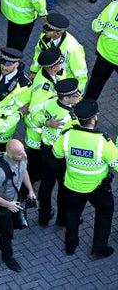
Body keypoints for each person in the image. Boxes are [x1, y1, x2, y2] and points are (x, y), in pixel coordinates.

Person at [53, 99, 118, 257]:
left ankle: (70, 246)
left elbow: (56, 153)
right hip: (97, 188)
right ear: (94, 118)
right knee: (104, 213)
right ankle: (99, 248)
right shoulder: (103, 142)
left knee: (72, 214)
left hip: (72, 185)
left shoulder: (67, 136)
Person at [29, 78, 80, 227]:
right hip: (60, 158)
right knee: (63, 190)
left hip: (45, 151)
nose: (78, 95)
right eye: (74, 95)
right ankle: (62, 220)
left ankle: (43, 217)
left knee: (46, 185)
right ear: (65, 98)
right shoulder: (71, 118)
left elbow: (35, 115)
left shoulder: (50, 102)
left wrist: (45, 122)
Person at [0, 140, 36, 272]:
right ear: (10, 155)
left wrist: (30, 189)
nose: (23, 155)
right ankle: (7, 257)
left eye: (23, 151)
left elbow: (23, 171)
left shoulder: (23, 156)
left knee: (17, 224)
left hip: (14, 200)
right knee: (8, 233)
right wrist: (7, 204)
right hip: (2, 205)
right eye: (19, 154)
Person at [29, 13, 88, 91]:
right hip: (47, 77)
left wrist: (76, 96)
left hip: (63, 85)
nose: (44, 31)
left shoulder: (73, 49)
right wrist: (34, 70)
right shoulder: (45, 37)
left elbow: (81, 75)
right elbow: (38, 52)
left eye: (47, 30)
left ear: (58, 34)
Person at [85, 0, 118, 99]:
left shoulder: (114, 6)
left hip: (105, 53)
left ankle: (87, 109)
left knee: (96, 82)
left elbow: (96, 27)